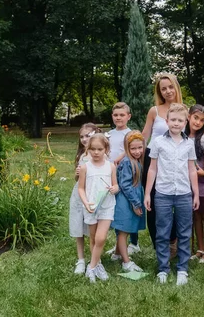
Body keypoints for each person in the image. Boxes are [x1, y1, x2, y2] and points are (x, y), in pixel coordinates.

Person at [144, 103, 199, 285]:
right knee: (162, 232)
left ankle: (182, 268)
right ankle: (163, 268)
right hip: (163, 193)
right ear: (166, 121)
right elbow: (152, 169)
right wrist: (147, 194)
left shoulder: (189, 144)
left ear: (186, 122)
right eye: (173, 120)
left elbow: (192, 170)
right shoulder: (158, 142)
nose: (176, 123)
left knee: (184, 232)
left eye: (180, 120)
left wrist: (195, 194)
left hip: (184, 193)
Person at [141, 72, 183, 250]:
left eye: (170, 87)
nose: (167, 91)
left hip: (175, 162)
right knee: (152, 203)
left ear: (176, 87)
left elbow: (192, 136)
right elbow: (144, 137)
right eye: (163, 89)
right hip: (153, 160)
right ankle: (159, 244)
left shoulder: (184, 110)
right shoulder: (155, 111)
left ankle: (174, 239)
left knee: (174, 202)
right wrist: (128, 156)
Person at [78, 133, 120, 283]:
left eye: (99, 149)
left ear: (106, 149)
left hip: (107, 206)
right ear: (88, 149)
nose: (96, 152)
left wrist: (115, 188)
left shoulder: (110, 166)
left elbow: (116, 185)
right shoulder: (85, 167)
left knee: (101, 238)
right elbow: (81, 188)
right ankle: (98, 264)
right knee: (93, 237)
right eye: (93, 149)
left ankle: (91, 267)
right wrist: (85, 202)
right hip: (91, 206)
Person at [106, 102, 141, 257]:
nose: (119, 118)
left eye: (122, 115)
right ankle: (119, 245)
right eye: (115, 115)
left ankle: (134, 243)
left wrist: (122, 156)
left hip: (125, 173)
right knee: (118, 210)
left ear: (128, 116)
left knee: (127, 209)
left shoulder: (130, 133)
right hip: (111, 174)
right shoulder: (109, 134)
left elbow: (134, 149)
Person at [111, 130, 146, 272]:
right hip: (126, 201)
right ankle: (126, 262)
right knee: (123, 232)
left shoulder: (135, 161)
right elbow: (125, 185)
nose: (137, 151)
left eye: (140, 148)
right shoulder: (127, 162)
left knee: (124, 230)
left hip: (131, 198)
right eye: (133, 148)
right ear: (127, 148)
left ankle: (117, 254)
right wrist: (136, 203)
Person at [69, 123, 101, 275]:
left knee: (93, 228)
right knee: (78, 227)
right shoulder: (82, 155)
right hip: (79, 195)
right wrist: (77, 173)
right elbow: (77, 179)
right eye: (81, 136)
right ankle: (80, 260)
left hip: (93, 195)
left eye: (87, 135)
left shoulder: (100, 153)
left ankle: (95, 259)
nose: (84, 139)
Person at [185, 104, 204, 264]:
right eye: (195, 118)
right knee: (195, 216)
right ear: (188, 116)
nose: (198, 122)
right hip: (188, 183)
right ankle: (199, 248)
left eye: (202, 120)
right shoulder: (182, 137)